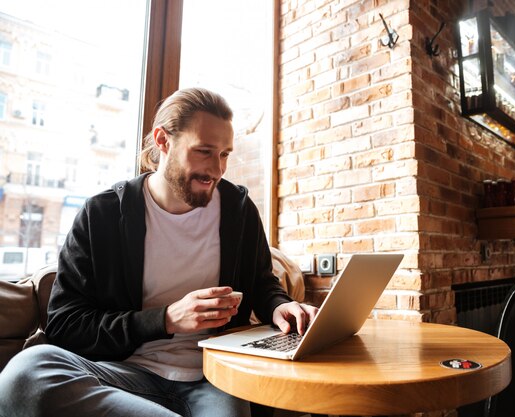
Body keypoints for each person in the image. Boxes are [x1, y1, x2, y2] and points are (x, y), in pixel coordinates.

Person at [0, 87, 318, 417]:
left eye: (224, 154)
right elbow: (66, 325)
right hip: (119, 375)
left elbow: (262, 285)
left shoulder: (238, 210)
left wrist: (281, 306)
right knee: (25, 374)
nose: (217, 169)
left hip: (213, 378)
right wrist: (166, 319)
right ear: (163, 141)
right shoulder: (103, 214)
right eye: (204, 151)